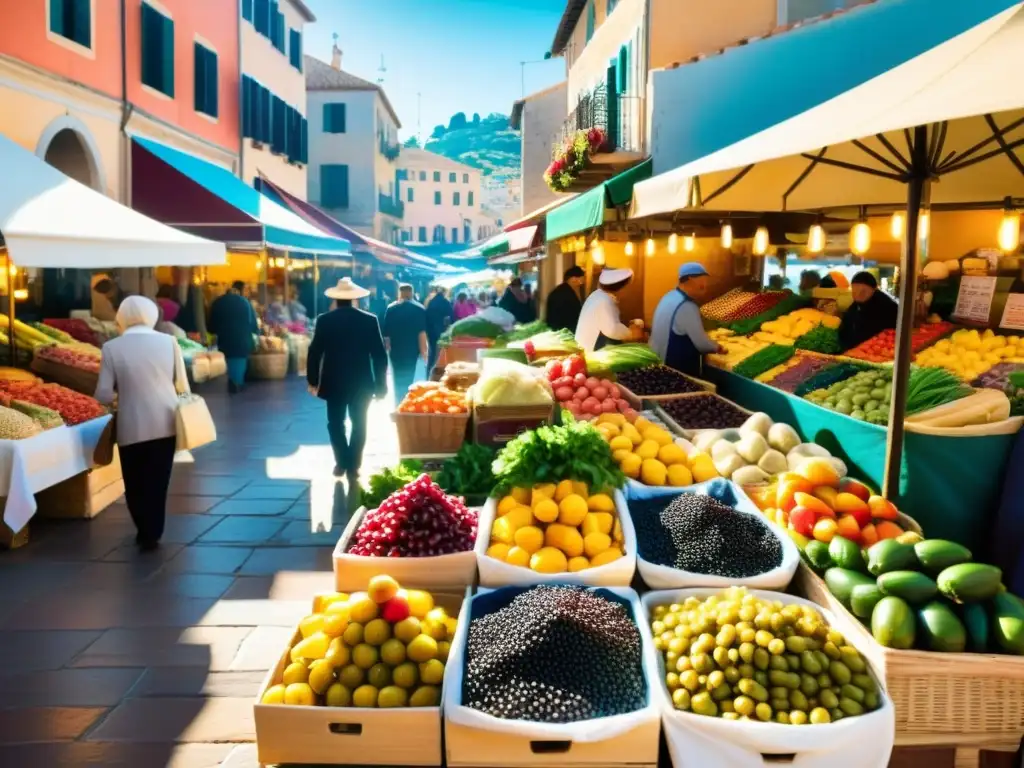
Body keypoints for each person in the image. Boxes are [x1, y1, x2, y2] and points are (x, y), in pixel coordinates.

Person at [94, 296, 189, 551]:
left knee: (134, 483)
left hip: (131, 424)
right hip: (166, 422)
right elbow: (182, 385)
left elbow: (103, 394)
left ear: (121, 316)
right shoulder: (170, 342)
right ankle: (153, 531)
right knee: (158, 481)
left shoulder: (112, 347)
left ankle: (143, 528)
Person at [307, 278, 388, 480]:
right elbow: (379, 354)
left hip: (333, 380)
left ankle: (341, 461)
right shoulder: (369, 320)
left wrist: (313, 380)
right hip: (362, 380)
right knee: (360, 422)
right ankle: (354, 464)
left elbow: (315, 351)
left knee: (335, 422)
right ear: (355, 299)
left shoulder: (324, 320)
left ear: (335, 299)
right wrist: (381, 385)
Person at [649, 263, 726, 375]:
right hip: (676, 368)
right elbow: (702, 343)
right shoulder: (686, 306)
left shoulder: (669, 296)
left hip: (658, 361)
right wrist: (718, 348)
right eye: (702, 281)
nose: (705, 286)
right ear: (690, 279)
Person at [208, 281, 259, 394]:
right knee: (237, 377)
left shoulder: (217, 303)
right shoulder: (246, 303)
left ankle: (231, 387)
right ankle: (237, 386)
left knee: (226, 375)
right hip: (242, 345)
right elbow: (254, 327)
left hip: (224, 344)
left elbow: (211, 327)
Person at [576, 268, 640, 352]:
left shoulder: (598, 295)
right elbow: (612, 329)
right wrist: (631, 333)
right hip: (592, 351)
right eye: (628, 286)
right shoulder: (604, 300)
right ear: (620, 287)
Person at [383, 283, 427, 401]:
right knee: (409, 375)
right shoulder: (419, 308)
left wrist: (387, 351)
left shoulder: (391, 308)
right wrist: (424, 352)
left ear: (399, 293)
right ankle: (407, 398)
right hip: (412, 350)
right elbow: (421, 333)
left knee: (397, 377)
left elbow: (386, 335)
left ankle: (399, 399)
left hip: (396, 350)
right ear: (411, 293)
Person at [838, 271, 899, 350]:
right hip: (855, 353)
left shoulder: (887, 307)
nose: (858, 294)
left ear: (874, 289)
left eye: (863, 291)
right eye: (854, 291)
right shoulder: (855, 306)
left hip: (878, 352)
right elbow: (845, 329)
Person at [545, 266, 585, 333]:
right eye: (582, 277)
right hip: (564, 332)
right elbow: (573, 315)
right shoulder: (566, 293)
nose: (583, 281)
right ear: (574, 279)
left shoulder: (562, 290)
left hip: (557, 330)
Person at [425, 286, 454, 374]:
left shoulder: (430, 301)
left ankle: (429, 371)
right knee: (441, 352)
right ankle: (438, 372)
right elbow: (450, 316)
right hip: (440, 329)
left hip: (430, 329)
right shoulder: (445, 302)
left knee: (432, 351)